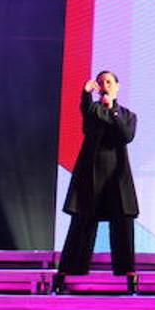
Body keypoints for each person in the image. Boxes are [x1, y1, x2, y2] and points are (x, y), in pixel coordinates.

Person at [53, 71, 140, 293]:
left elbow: (126, 135)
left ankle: (127, 276)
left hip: (116, 178)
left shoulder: (127, 115)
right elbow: (85, 108)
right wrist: (86, 92)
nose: (105, 85)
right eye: (101, 82)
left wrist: (112, 109)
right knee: (82, 223)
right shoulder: (93, 111)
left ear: (117, 87)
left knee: (122, 225)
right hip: (90, 176)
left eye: (109, 82)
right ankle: (70, 274)